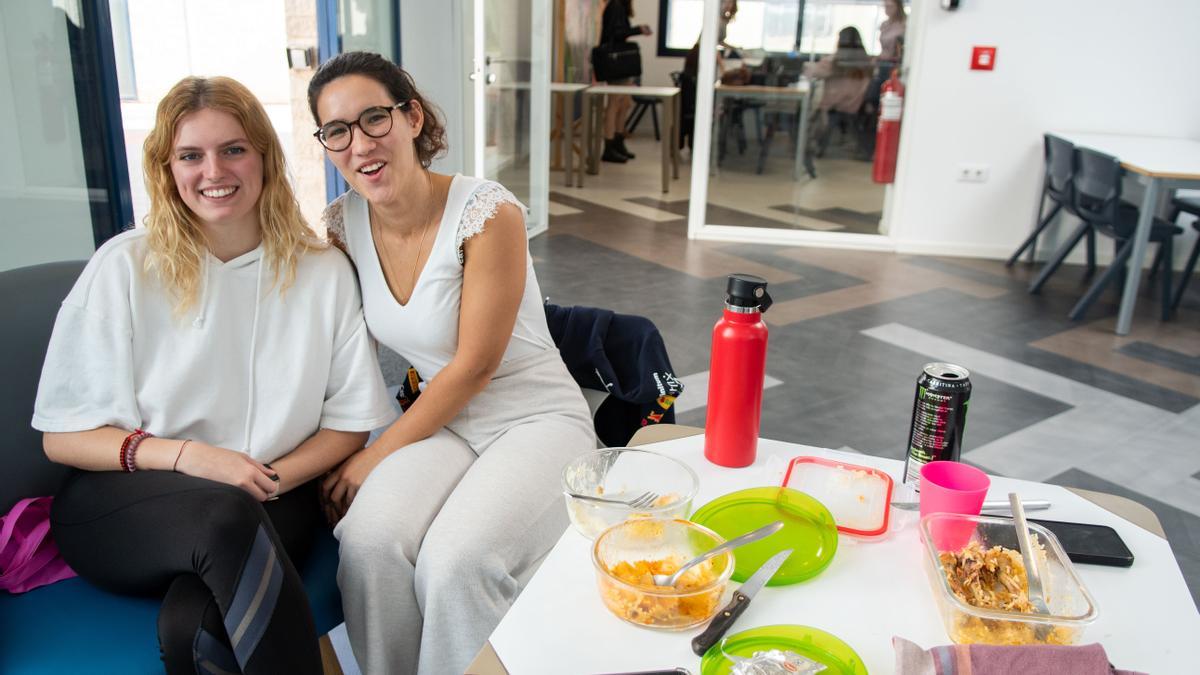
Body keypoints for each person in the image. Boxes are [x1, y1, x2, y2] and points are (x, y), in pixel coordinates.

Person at [33, 76, 396, 675]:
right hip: (126, 502)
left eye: (233, 149)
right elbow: (63, 438)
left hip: (272, 491)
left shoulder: (322, 272)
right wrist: (192, 460)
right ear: (167, 169)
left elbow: (349, 425)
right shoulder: (125, 266)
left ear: (263, 157)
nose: (214, 171)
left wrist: (257, 477)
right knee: (223, 512)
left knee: (192, 630)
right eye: (190, 155)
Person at [308, 52, 595, 675]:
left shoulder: (488, 213)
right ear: (326, 145)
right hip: (446, 424)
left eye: (374, 119)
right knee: (369, 541)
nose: (360, 145)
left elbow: (473, 367)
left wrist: (373, 454)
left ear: (411, 117)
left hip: (534, 419)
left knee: (459, 560)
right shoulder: (339, 226)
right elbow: (329, 346)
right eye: (337, 131)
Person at [804, 26, 874, 157]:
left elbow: (813, 72)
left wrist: (808, 66)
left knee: (810, 107)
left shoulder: (833, 62)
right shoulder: (867, 62)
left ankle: (808, 145)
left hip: (837, 103)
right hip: (857, 103)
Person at [598, 0, 652, 163]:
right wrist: (637, 30)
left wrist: (635, 30)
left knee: (625, 103)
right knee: (614, 103)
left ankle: (618, 142)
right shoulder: (615, 6)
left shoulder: (618, 6)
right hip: (615, 63)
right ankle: (609, 147)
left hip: (620, 63)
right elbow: (614, 33)